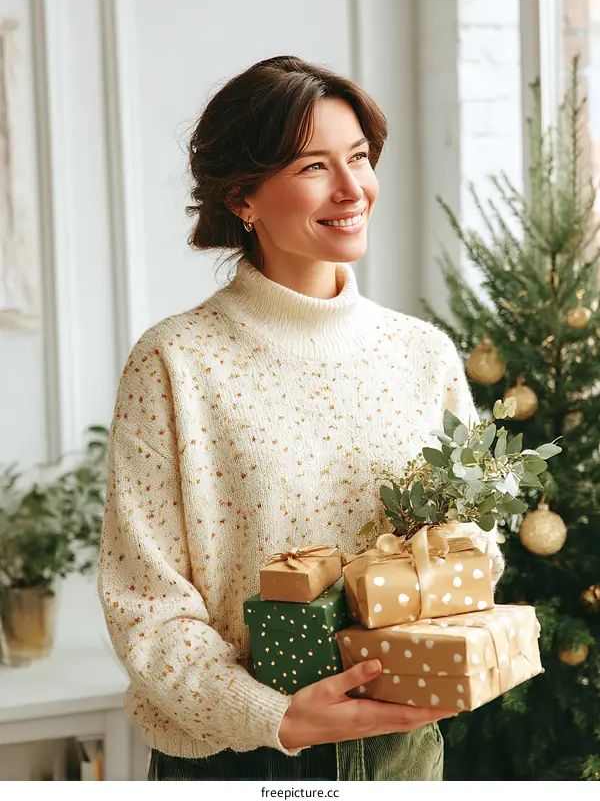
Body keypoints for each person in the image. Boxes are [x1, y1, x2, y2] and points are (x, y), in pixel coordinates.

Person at [98, 55, 504, 782]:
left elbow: (477, 546)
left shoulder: (422, 355)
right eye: (315, 166)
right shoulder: (175, 363)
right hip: (236, 759)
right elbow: (146, 603)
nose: (353, 190)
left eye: (359, 158)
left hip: (401, 752)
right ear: (242, 198)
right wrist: (271, 716)